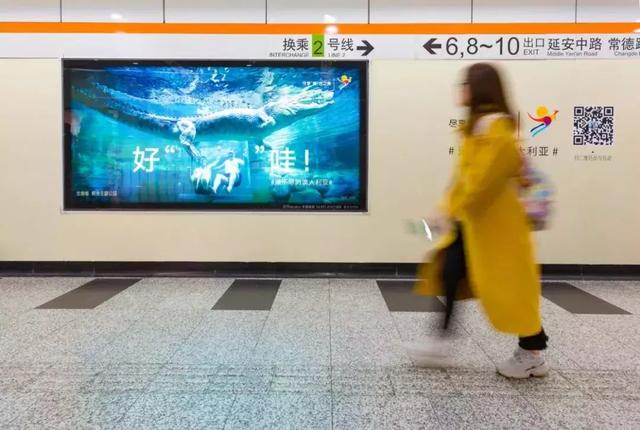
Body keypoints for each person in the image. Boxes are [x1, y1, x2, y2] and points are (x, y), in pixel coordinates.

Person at [410, 63, 549, 379]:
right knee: (450, 272)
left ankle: (532, 353)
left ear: (477, 89)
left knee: (509, 287)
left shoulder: (495, 127)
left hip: (496, 227)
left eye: (465, 85)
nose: (460, 90)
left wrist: (452, 210)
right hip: (475, 223)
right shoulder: (477, 127)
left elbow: (484, 181)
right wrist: (448, 208)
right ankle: (440, 341)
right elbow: (465, 179)